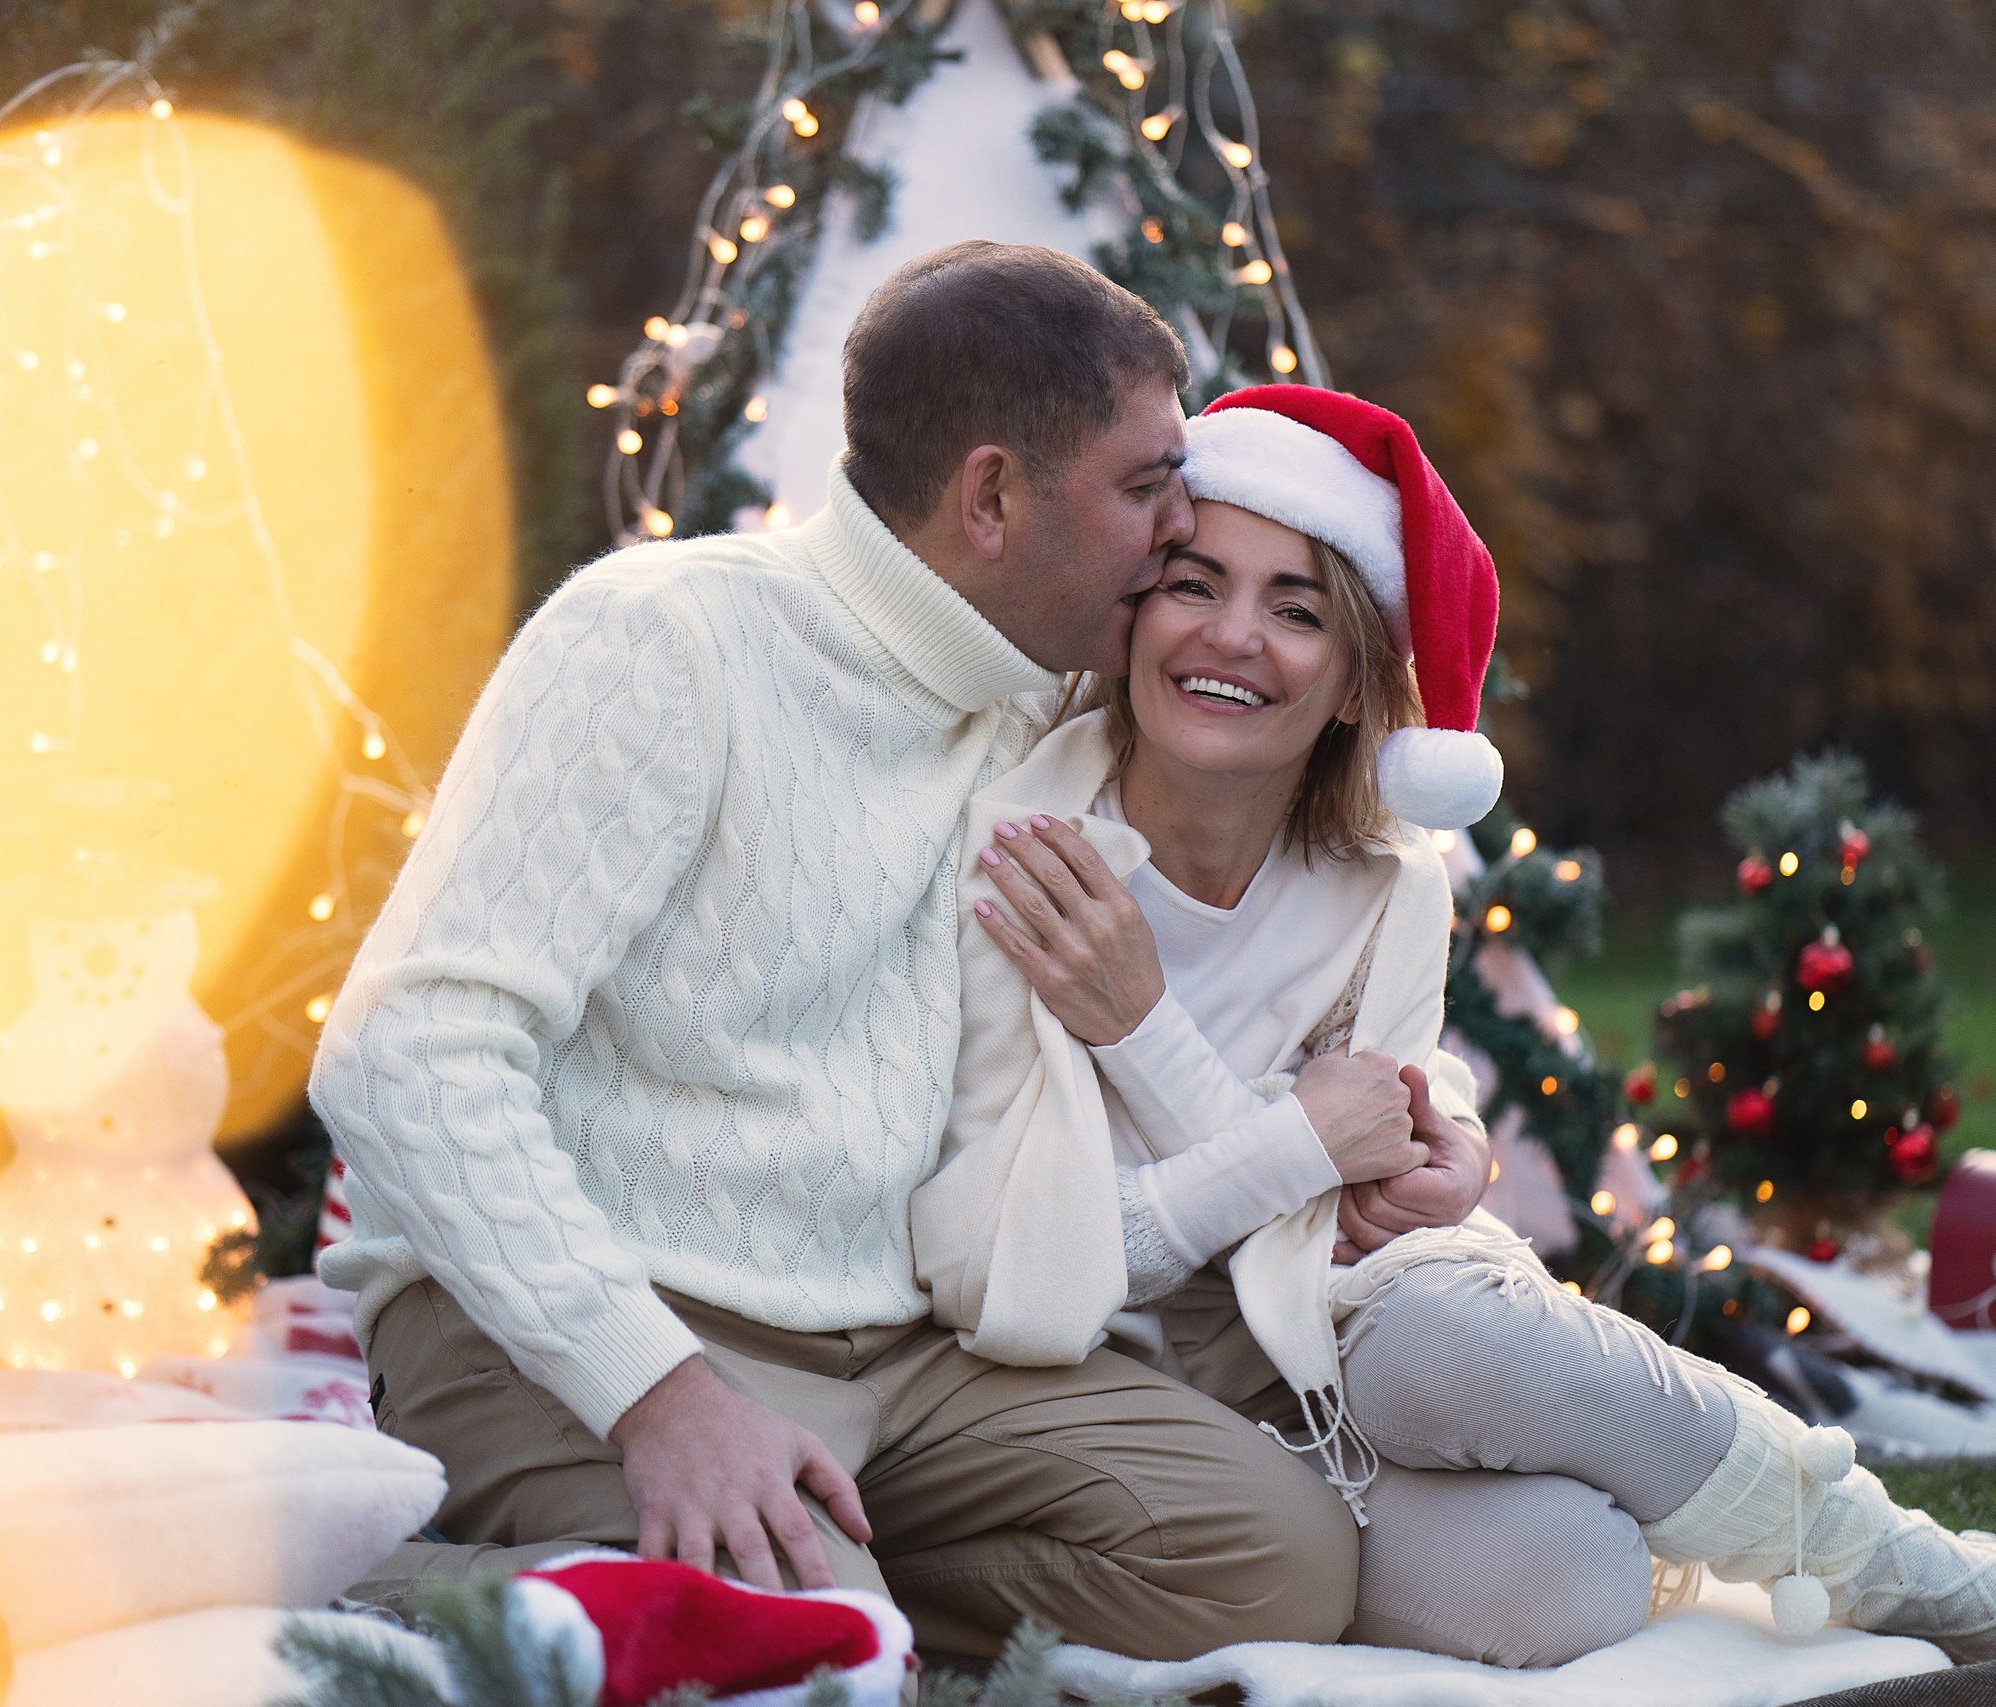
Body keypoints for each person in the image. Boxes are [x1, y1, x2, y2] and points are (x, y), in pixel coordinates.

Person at [308, 244, 1472, 1661]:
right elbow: (406, 1051)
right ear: (993, 496)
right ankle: (451, 1613)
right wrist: (657, 1392)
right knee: (788, 1642)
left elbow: (1313, 909)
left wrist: (1431, 1115)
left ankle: (814, 1612)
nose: (1186, 525)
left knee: (1274, 1562)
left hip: (909, 1345)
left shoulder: (1047, 697)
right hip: (594, 1321)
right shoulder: (662, 642)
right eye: (1149, 482)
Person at [914, 385, 1996, 1669]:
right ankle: (1871, 1559)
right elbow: (1030, 1270)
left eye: (1297, 608)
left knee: (1452, 1342)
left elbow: (1361, 1145)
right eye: (1195, 583)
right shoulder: (1033, 853)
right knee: (1568, 1586)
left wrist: (1437, 1134)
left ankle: (1918, 1572)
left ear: (1359, 684)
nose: (1232, 636)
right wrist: (1175, 1053)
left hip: (1346, 1329)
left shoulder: (1389, 879)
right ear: (1137, 613)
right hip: (1132, 1400)